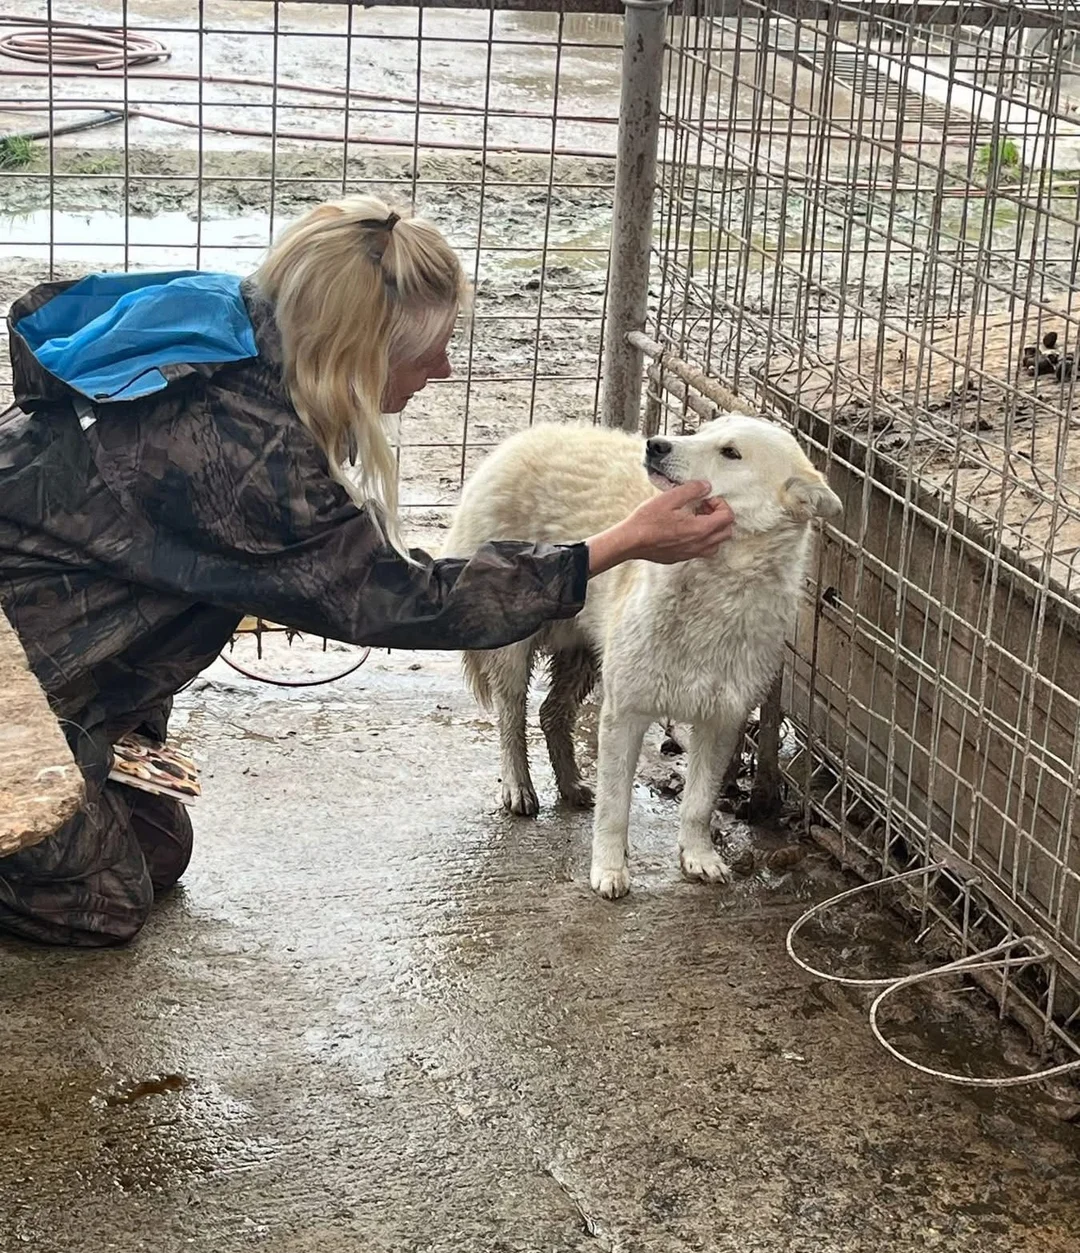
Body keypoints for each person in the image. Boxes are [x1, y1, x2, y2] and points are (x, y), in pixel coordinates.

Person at [0, 195, 734, 949]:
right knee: (106, 903)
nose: (444, 370)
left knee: (160, 850)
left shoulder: (237, 327)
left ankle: (92, 739)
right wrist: (614, 545)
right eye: (428, 350)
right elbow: (395, 601)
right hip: (13, 683)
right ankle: (61, 755)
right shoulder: (246, 449)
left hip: (46, 652)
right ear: (362, 345)